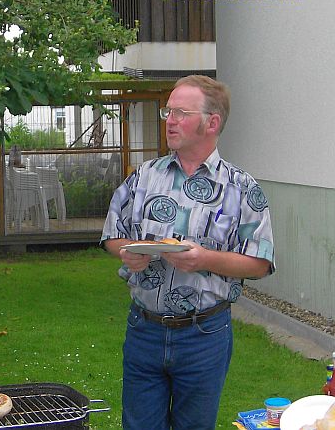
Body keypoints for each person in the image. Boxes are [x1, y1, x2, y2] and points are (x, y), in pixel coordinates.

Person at [101, 75, 275, 430]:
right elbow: (112, 236)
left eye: (181, 112)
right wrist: (127, 253)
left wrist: (205, 259)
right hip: (144, 329)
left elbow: (259, 263)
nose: (170, 119)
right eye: (169, 111)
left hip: (204, 334)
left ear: (212, 123)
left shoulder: (241, 188)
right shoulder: (144, 177)